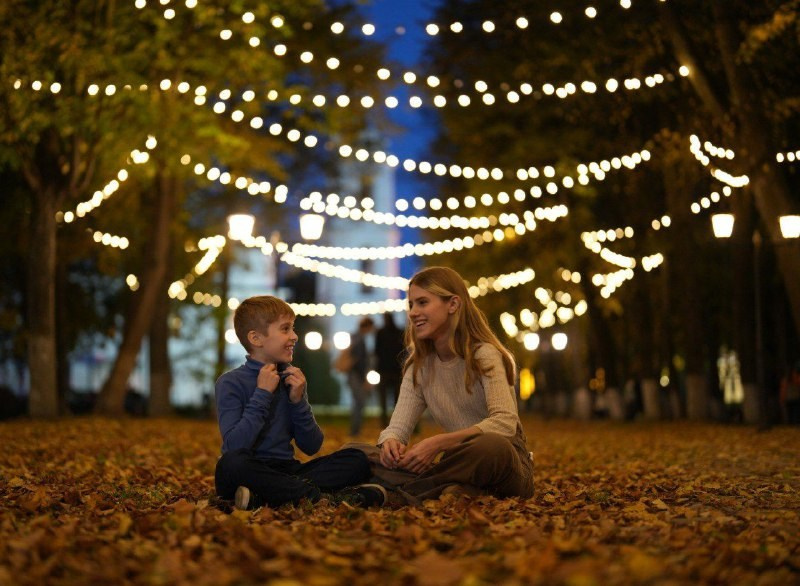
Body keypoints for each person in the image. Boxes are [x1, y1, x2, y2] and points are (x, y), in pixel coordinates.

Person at [351, 266, 534, 502]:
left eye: (423, 302)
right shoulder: (419, 367)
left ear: (453, 305)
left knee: (491, 446)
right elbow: (397, 427)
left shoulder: (484, 355)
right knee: (356, 452)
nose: (413, 312)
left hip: (504, 462)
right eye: (411, 305)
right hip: (454, 463)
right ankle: (453, 489)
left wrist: (437, 443)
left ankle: (401, 494)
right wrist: (390, 443)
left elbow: (504, 422)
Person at [214, 295, 386, 510]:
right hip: (248, 470)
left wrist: (298, 402)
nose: (294, 336)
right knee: (231, 464)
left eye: (293, 328)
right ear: (256, 338)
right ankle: (324, 497)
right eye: (285, 329)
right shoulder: (230, 382)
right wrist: (262, 394)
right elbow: (235, 446)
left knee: (357, 459)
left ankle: (264, 498)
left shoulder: (291, 379)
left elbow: (312, 446)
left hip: (287, 470)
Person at [374, 311, 405, 427]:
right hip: (396, 370)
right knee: (398, 400)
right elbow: (403, 352)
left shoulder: (380, 333)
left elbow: (376, 352)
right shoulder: (399, 332)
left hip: (385, 371)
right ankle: (396, 424)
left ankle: (385, 424)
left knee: (385, 399)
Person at [347, 316, 375, 436]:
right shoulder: (359, 339)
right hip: (356, 375)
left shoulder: (355, 337)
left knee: (357, 402)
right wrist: (364, 378)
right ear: (367, 326)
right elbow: (359, 362)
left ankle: (355, 429)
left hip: (353, 375)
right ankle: (355, 430)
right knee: (359, 402)